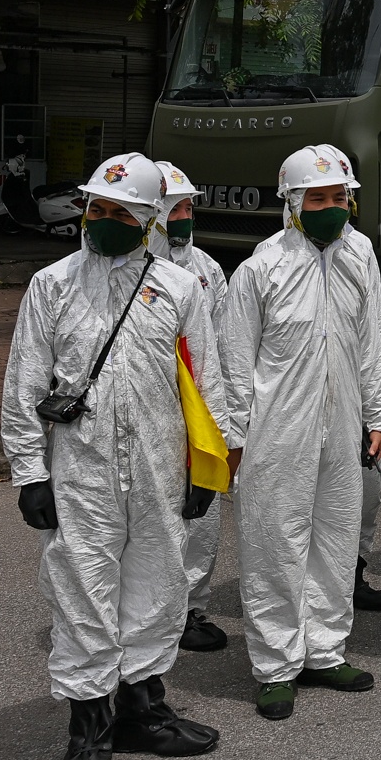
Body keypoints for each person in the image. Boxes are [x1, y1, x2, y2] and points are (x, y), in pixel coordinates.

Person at [2, 153, 228, 760]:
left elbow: (205, 386)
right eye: (97, 209)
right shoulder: (52, 285)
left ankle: (143, 711)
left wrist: (205, 466)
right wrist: (29, 472)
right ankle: (88, 733)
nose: (104, 221)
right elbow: (23, 387)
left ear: (149, 219)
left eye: (121, 212)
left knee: (157, 588)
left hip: (160, 469)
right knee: (83, 595)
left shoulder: (181, 289)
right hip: (80, 475)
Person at [221, 144, 381, 721]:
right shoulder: (260, 269)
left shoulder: (359, 254)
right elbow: (235, 364)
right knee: (274, 543)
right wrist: (233, 441)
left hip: (342, 424)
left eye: (340, 197)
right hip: (276, 432)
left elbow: (371, 340)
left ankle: (324, 649)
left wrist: (379, 414)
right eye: (317, 198)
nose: (331, 208)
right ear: (291, 202)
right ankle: (275, 666)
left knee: (336, 538)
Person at [152, 161, 231, 655]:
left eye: (188, 207)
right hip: (151, 415)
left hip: (198, 412)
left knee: (202, 517)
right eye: (174, 208)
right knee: (155, 521)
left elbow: (220, 344)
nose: (185, 217)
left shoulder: (206, 269)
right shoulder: (119, 272)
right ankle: (153, 611)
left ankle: (191, 608)